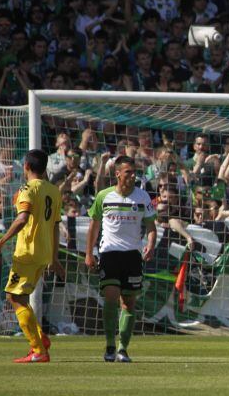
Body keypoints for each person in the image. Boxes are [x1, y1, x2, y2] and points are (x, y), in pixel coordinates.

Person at [85, 155, 157, 363]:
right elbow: (94, 226)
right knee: (110, 296)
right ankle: (109, 345)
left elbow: (151, 227)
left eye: (134, 172)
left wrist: (150, 245)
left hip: (133, 255)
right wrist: (89, 253)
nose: (133, 176)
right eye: (128, 172)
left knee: (129, 303)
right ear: (117, 174)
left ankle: (123, 349)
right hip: (109, 253)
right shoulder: (104, 196)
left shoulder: (143, 197)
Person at [0, 149, 63, 363]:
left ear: (26, 166)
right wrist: (54, 257)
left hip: (27, 252)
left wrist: (1, 241)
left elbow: (22, 218)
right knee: (21, 297)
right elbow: (55, 227)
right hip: (43, 253)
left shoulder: (26, 189)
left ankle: (38, 349)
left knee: (13, 297)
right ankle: (41, 338)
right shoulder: (54, 190)